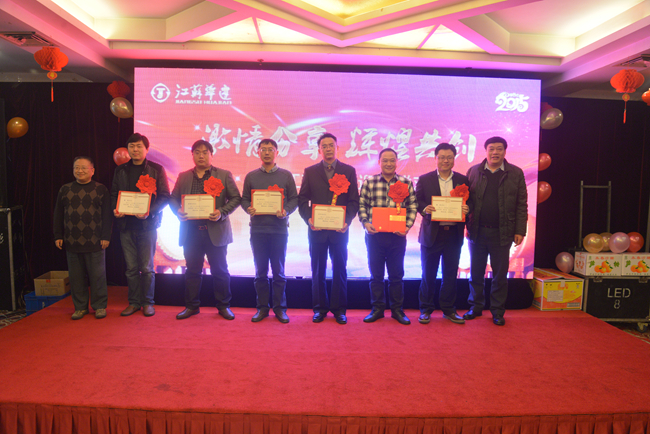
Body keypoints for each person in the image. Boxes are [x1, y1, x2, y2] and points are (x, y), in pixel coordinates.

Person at [170, 139, 241, 320]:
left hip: (216, 232)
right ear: (192, 155)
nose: (201, 156)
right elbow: (173, 199)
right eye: (197, 152)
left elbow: (236, 198)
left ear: (211, 155)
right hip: (191, 232)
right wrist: (177, 210)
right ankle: (191, 306)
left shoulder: (223, 175)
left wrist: (221, 212)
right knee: (192, 271)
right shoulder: (183, 176)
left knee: (220, 270)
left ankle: (223, 306)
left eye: (204, 152)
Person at [464, 136, 528, 326]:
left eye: (499, 149)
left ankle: (498, 311)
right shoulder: (474, 171)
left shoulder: (515, 173)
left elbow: (521, 204)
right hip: (477, 231)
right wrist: (464, 223)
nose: (495, 152)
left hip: (503, 232)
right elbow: (466, 200)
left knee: (500, 275)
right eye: (491, 148)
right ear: (486, 151)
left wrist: (520, 230)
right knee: (476, 273)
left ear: (505, 151)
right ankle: (475, 307)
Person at [298, 133, 359, 325]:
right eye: (324, 146)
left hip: (340, 231)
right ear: (319, 150)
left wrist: (346, 221)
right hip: (316, 230)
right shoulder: (310, 171)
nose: (328, 149)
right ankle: (319, 309)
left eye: (331, 145)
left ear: (337, 148)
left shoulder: (348, 171)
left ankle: (339, 310)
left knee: (340, 269)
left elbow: (353, 201)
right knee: (318, 270)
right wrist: (309, 218)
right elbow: (302, 199)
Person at [111, 133, 170, 317]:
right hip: (126, 226)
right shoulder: (120, 170)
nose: (135, 150)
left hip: (147, 226)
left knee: (146, 268)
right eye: (131, 146)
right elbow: (114, 194)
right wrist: (115, 208)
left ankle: (148, 302)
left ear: (146, 149)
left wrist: (148, 212)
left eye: (138, 146)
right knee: (130, 268)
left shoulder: (156, 169)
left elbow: (165, 197)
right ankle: (134, 302)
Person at [241, 139, 298, 323]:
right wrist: (248, 208)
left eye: (270, 149)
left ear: (277, 152)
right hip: (257, 230)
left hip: (279, 230)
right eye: (263, 149)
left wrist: (286, 211)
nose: (267, 152)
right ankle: (262, 308)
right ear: (258, 152)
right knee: (260, 272)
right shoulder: (251, 176)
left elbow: (294, 199)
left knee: (279, 272)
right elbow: (244, 199)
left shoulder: (286, 175)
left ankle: (280, 309)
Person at [358, 148, 417, 325]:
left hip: (397, 236)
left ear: (397, 162)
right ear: (379, 162)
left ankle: (397, 310)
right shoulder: (370, 182)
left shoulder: (406, 183)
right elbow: (362, 205)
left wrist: (407, 226)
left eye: (392, 160)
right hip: (375, 236)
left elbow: (412, 207)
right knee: (376, 275)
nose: (389, 163)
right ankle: (377, 309)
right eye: (385, 160)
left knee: (396, 275)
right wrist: (365, 223)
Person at [415, 143, 470, 325]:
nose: (445, 161)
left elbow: (471, 203)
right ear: (436, 158)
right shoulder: (425, 179)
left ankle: (449, 309)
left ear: (454, 159)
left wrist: (467, 209)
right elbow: (417, 201)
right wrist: (425, 208)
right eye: (442, 157)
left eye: (449, 157)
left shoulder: (463, 180)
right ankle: (425, 309)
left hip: (453, 234)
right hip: (432, 234)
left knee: (450, 274)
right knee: (428, 274)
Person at [54, 156, 112, 320]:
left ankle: (99, 307)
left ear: (92, 170)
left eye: (83, 168)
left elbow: (107, 215)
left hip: (95, 242)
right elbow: (58, 214)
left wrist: (106, 236)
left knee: (97, 277)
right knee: (76, 278)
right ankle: (80, 308)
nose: (79, 171)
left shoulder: (101, 189)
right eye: (76, 168)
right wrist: (58, 235)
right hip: (71, 241)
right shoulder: (65, 189)